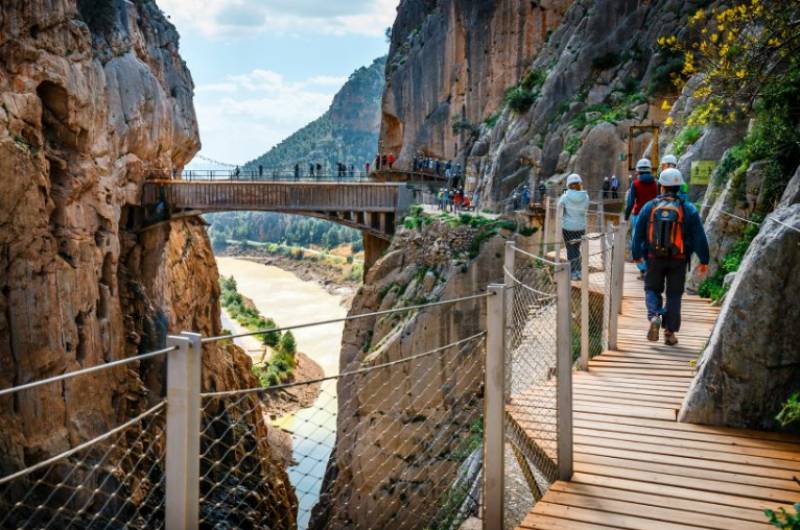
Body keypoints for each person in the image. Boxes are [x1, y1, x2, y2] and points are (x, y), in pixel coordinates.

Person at [632, 168, 709, 346]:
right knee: (674, 294)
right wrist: (704, 259)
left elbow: (638, 234)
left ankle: (655, 315)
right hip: (679, 259)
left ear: (661, 186)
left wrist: (637, 255)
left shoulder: (649, 207)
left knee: (652, 289)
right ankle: (669, 333)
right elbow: (699, 236)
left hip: (653, 257)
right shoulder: (688, 209)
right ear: (679, 186)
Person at [625, 158, 659, 279]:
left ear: (638, 170)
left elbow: (630, 203)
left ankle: (643, 269)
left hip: (638, 215)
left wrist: (625, 216)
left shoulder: (635, 184)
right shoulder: (656, 183)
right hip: (654, 216)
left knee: (637, 240)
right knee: (651, 241)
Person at [558, 173, 590, 280]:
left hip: (567, 227)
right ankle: (578, 271)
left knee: (570, 249)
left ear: (568, 184)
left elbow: (559, 206)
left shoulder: (565, 196)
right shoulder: (585, 196)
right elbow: (586, 207)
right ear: (579, 184)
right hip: (580, 227)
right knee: (576, 248)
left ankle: (573, 272)